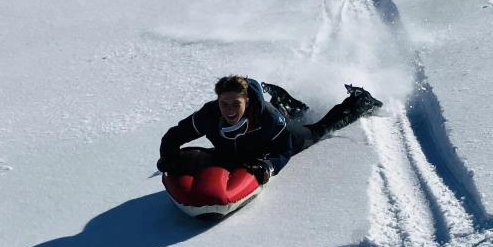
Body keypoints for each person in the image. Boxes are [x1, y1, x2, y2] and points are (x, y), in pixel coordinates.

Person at [157, 75, 382, 184]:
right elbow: (175, 135)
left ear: (247, 101)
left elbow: (284, 150)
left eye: (236, 104)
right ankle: (288, 105)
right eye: (224, 103)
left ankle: (360, 103)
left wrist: (269, 166)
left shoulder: (267, 119)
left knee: (315, 132)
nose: (229, 110)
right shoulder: (209, 114)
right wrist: (168, 156)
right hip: (240, 151)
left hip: (278, 139)